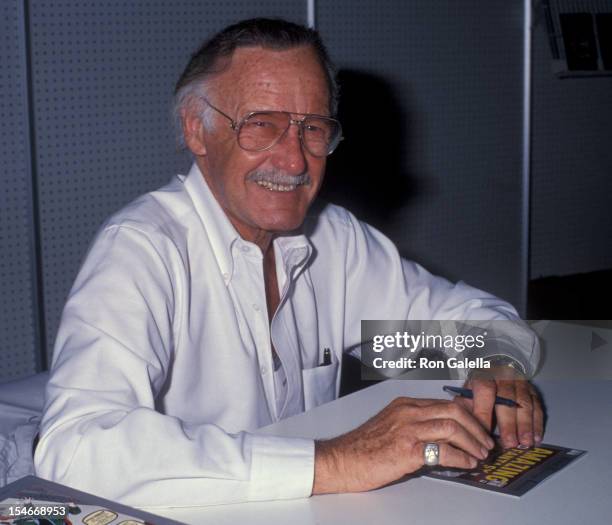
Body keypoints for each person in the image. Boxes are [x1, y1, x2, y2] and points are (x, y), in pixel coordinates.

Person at [35, 18, 543, 506]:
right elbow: (75, 447)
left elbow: (470, 321)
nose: (295, 160)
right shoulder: (143, 248)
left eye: (313, 129)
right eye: (262, 126)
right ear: (197, 131)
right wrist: (338, 462)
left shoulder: (333, 237)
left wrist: (495, 361)